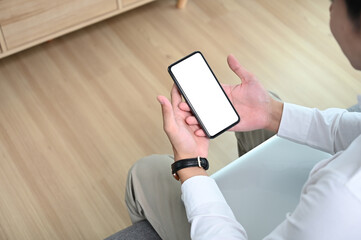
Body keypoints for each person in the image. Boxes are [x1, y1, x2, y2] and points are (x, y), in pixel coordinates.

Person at [125, 0, 361, 239]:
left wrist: (190, 166)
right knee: (265, 102)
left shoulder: (343, 194)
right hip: (315, 204)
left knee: (146, 173)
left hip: (305, 219)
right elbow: (353, 129)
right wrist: (270, 113)